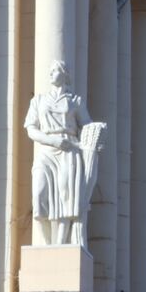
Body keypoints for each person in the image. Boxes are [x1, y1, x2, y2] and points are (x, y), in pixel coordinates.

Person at [24, 61, 104, 246]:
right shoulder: (39, 101)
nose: (51, 74)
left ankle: (58, 244)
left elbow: (87, 127)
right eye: (50, 71)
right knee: (39, 194)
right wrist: (53, 141)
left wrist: (97, 137)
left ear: (65, 74)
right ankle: (44, 243)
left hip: (69, 151)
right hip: (47, 150)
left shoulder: (75, 101)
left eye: (55, 71)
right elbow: (31, 129)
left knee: (64, 198)